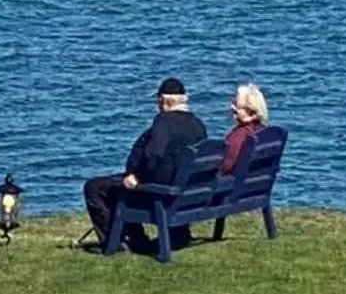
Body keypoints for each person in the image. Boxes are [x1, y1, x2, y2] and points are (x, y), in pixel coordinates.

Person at [83, 77, 207, 251]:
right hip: (185, 193)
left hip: (162, 195)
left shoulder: (163, 123)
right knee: (118, 186)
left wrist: (136, 176)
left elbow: (153, 156)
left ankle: (113, 242)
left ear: (163, 101)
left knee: (94, 187)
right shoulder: (197, 124)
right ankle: (139, 236)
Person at [220, 83, 270, 174]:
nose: (232, 107)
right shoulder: (265, 133)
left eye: (236, 104)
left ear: (252, 111)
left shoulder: (239, 135)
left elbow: (226, 166)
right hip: (255, 184)